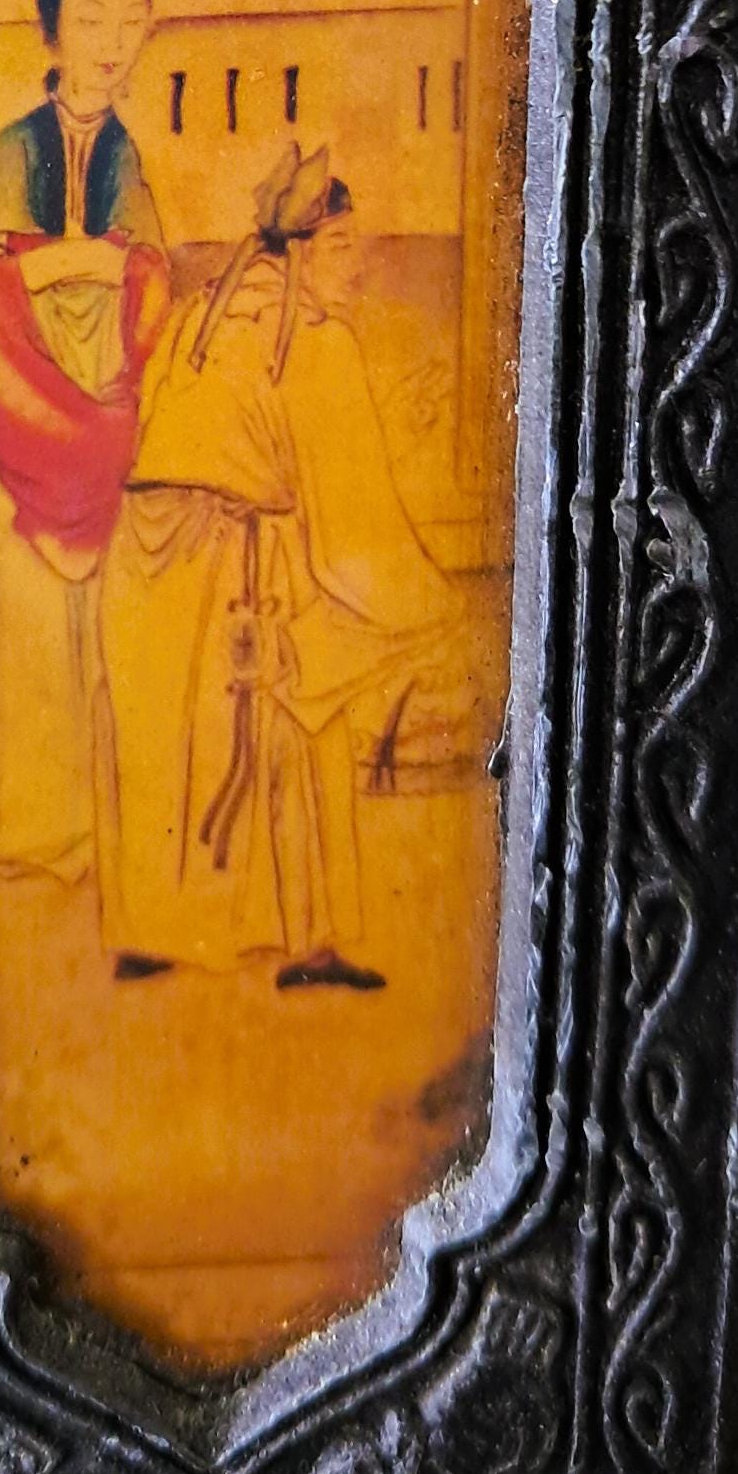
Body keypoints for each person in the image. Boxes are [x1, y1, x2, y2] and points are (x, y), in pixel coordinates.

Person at [93, 145, 459, 986]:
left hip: (148, 564)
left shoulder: (204, 315)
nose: (357, 268)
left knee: (164, 742)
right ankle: (308, 942)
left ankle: (154, 932)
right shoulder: (316, 341)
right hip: (227, 562)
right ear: (295, 255)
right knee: (297, 716)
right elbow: (355, 516)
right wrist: (429, 606)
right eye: (341, 248)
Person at [0, 0, 171, 880]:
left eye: (129, 19)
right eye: (91, 18)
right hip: (15, 430)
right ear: (52, 27)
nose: (110, 43)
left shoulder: (127, 159)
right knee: (20, 635)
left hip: (100, 425)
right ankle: (23, 832)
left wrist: (111, 274)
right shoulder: (6, 155)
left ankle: (93, 834)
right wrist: (72, 267)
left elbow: (154, 282)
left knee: (100, 641)